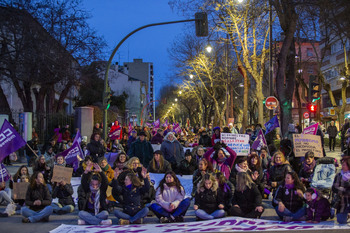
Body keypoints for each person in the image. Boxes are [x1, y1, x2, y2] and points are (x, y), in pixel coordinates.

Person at [332, 155, 350, 224]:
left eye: (344, 165)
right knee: (341, 221)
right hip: (342, 202)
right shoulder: (339, 175)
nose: (342, 166)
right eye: (342, 164)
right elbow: (334, 188)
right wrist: (345, 190)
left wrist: (343, 189)